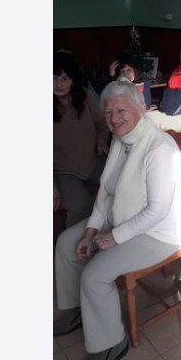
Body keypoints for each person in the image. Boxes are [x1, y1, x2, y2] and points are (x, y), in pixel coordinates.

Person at [53, 79, 181, 360]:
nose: (113, 118)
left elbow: (157, 210)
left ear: (141, 108)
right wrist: (92, 230)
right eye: (108, 112)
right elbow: (107, 191)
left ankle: (111, 345)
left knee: (94, 275)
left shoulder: (160, 148)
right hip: (123, 216)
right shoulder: (121, 139)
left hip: (160, 232)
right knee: (67, 242)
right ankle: (82, 309)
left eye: (121, 110)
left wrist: (113, 237)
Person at [53, 50, 110, 228]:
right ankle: (75, 243)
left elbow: (102, 123)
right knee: (81, 206)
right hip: (62, 171)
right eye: (54, 77)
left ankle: (115, 231)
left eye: (65, 79)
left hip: (91, 162)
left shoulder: (85, 96)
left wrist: (101, 140)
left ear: (73, 81)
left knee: (122, 182)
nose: (58, 84)